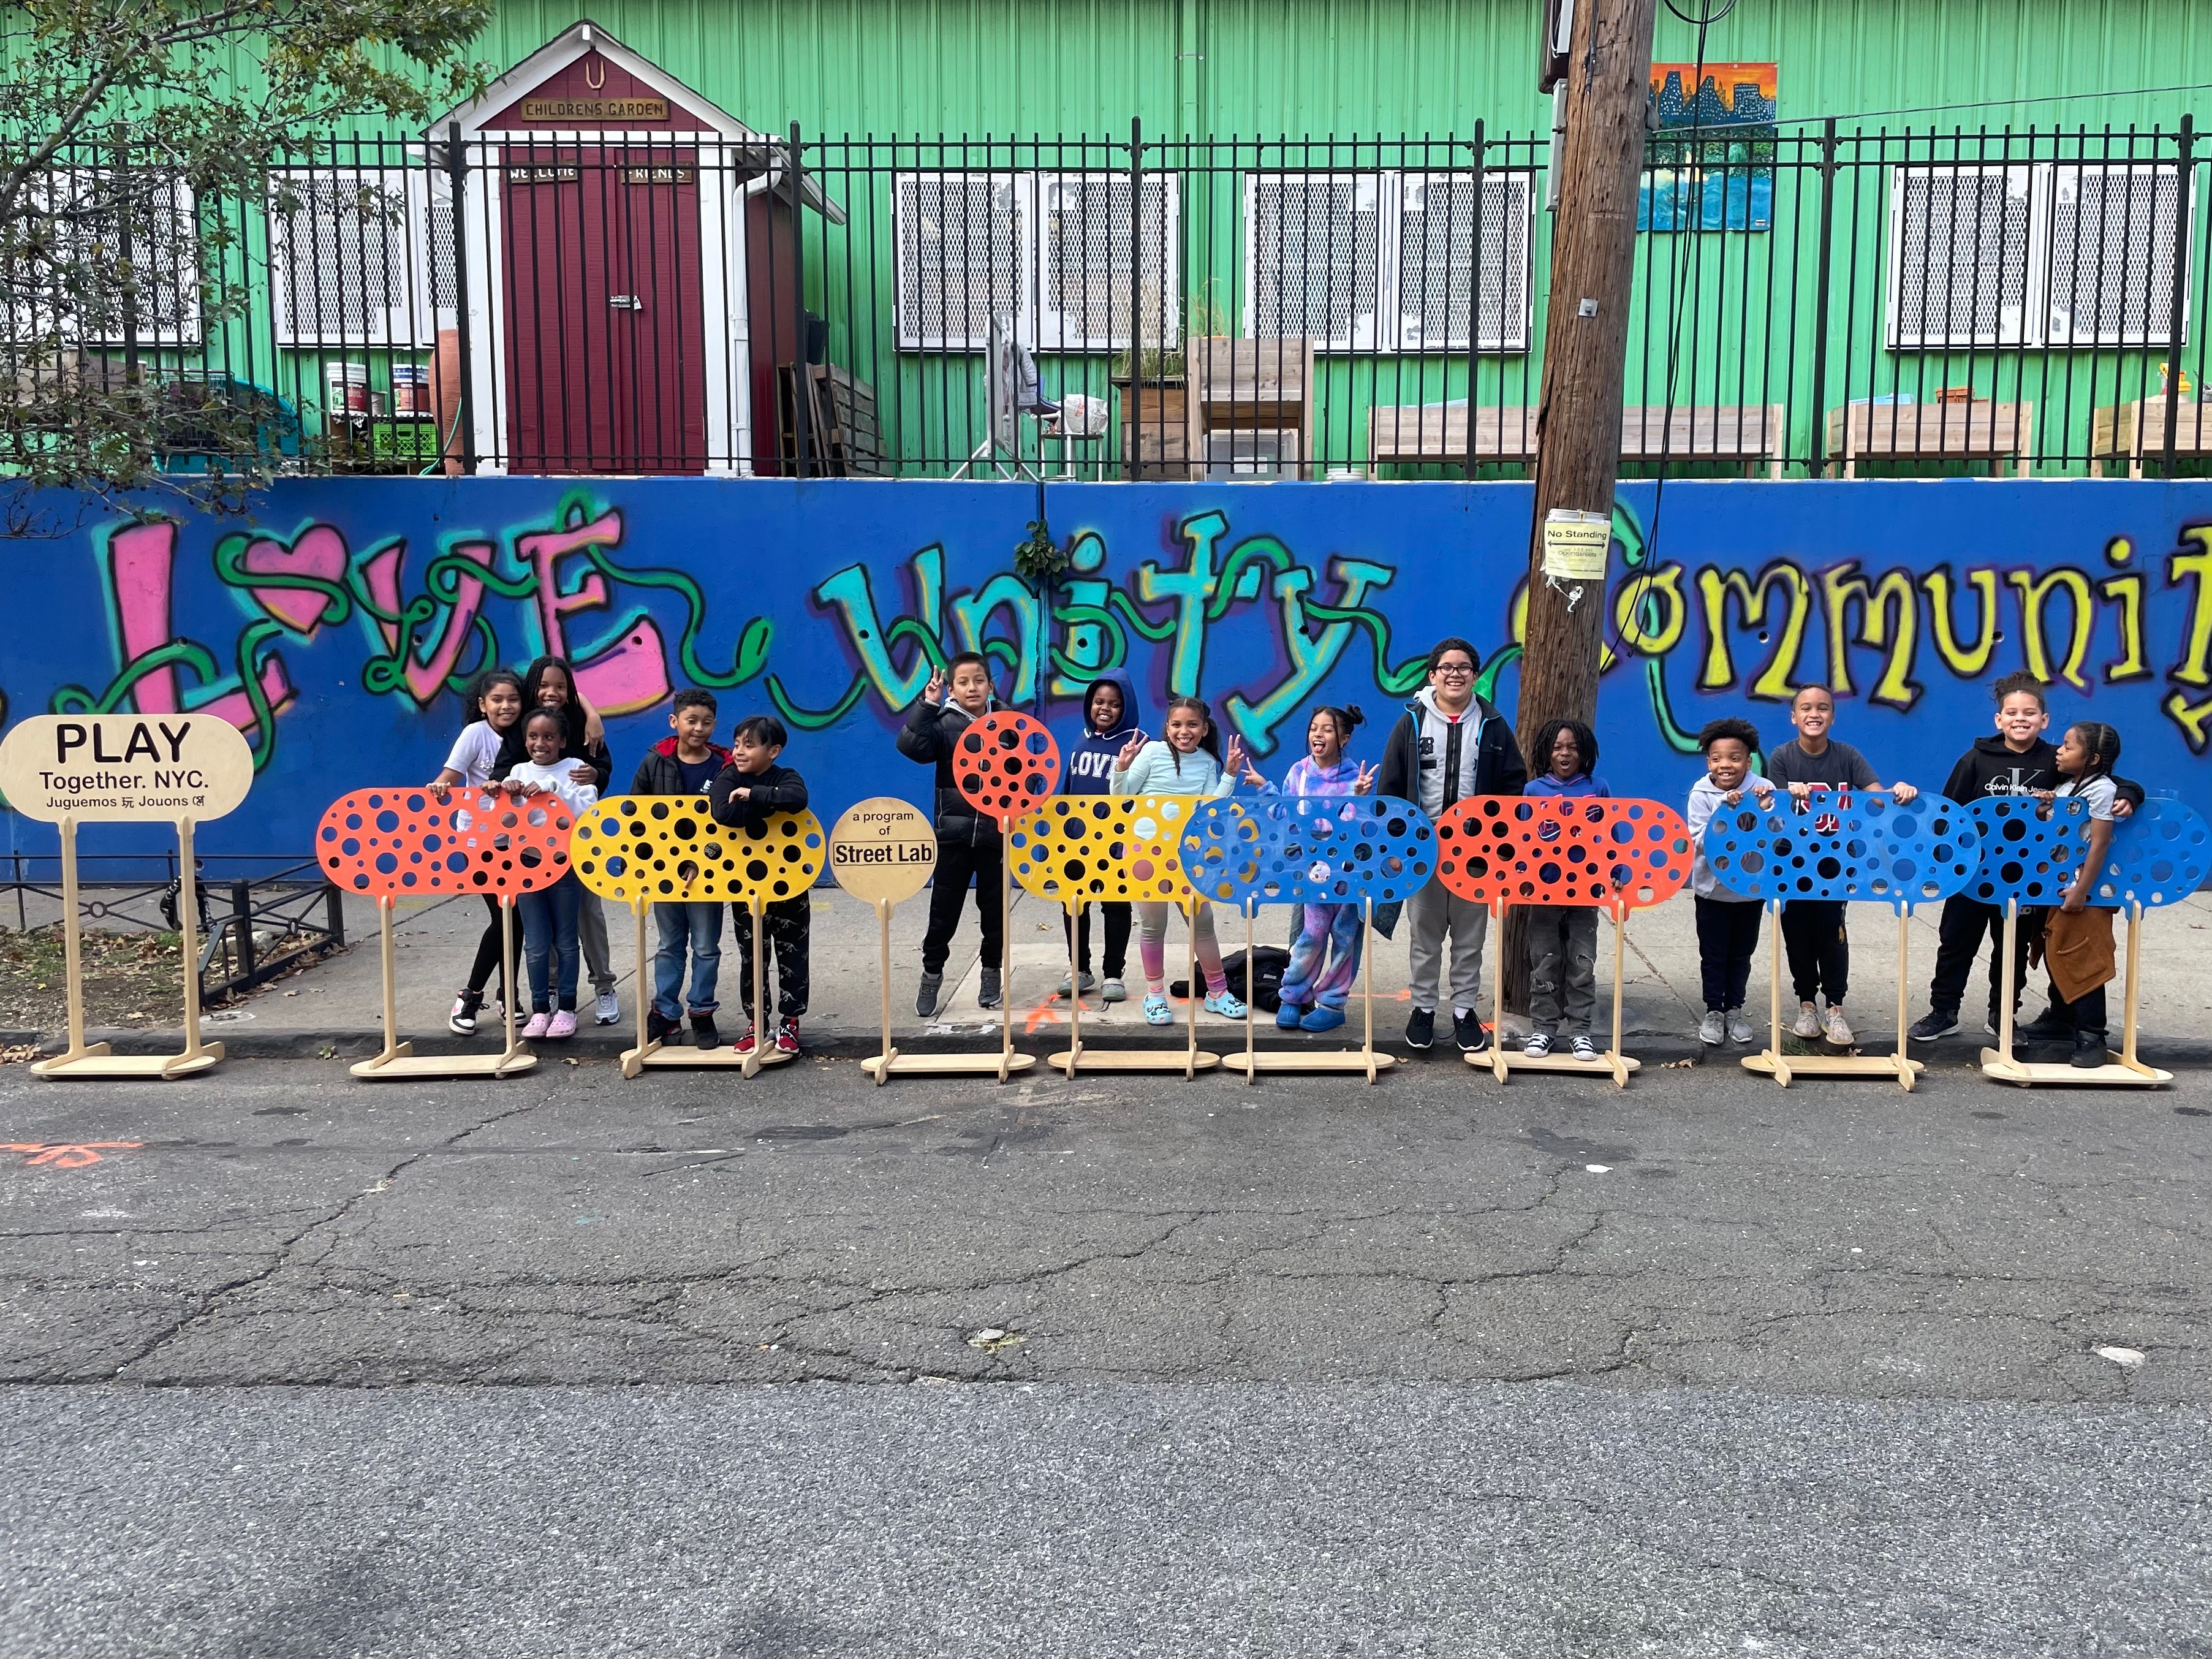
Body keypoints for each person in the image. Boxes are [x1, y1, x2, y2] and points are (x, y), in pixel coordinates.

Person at [1909, 673, 2143, 1043]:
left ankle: (2002, 1014)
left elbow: (2106, 778)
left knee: (2013, 948)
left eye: (2030, 713)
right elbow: (1949, 813)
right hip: (1973, 872)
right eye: (2012, 712)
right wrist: (1942, 866)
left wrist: (2132, 793)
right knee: (1956, 942)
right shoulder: (1975, 759)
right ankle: (1943, 1011)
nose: (2021, 718)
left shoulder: (2058, 759)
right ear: (1999, 720)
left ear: (2044, 721)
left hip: (2027, 877)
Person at [1377, 637, 1528, 1054]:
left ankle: (1464, 1011)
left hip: (1475, 852)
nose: (1455, 673)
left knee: (1468, 938)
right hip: (1424, 849)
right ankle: (1423, 1009)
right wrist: (1395, 843)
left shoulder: (1493, 725)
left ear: (1475, 676)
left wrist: (1500, 842)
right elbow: (1390, 785)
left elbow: (1514, 786)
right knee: (1424, 936)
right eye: (1447, 667)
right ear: (1432, 675)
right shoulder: (1411, 722)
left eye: (1464, 667)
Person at [1761, 683, 1917, 1047]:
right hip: (1793, 859)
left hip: (1835, 860)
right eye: (1806, 708)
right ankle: (1806, 1005)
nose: (1814, 714)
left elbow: (1876, 797)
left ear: (1832, 716)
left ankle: (1835, 1007)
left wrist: (1900, 792)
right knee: (1797, 933)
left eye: (1823, 708)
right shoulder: (1782, 756)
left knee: (1832, 933)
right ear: (1794, 717)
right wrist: (1789, 795)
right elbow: (1774, 807)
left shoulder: (1847, 755)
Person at [1112, 694, 1252, 1025]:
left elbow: (1210, 809)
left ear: (1204, 729)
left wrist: (1230, 775)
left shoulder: (1206, 761)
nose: (1183, 731)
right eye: (1176, 724)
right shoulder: (1152, 752)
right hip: (1146, 851)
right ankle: (1155, 995)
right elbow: (1121, 797)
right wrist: (1122, 767)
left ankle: (1217, 993)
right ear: (1167, 727)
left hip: (1188, 855)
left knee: (1202, 925)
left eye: (1191, 725)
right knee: (1153, 927)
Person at [513, 656, 621, 1027]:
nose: (552, 693)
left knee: (588, 916)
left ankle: (604, 985)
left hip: (575, 844)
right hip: (532, 852)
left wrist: (594, 770)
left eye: (561, 686)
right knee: (545, 935)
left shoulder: (580, 725)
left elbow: (598, 772)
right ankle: (555, 997)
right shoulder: (522, 727)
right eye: (544, 685)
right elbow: (503, 778)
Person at [898, 652, 1006, 1019]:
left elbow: (1029, 769)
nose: (972, 688)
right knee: (943, 913)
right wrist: (927, 704)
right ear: (951, 688)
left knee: (995, 914)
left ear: (990, 685)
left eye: (979, 680)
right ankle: (931, 974)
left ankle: (991, 973)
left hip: (996, 835)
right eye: (963, 682)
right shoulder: (943, 723)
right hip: (952, 836)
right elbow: (911, 747)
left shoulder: (1009, 723)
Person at [2015, 722, 2124, 1068]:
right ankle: (2062, 1017)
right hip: (2059, 885)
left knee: (2084, 957)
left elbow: (2099, 842)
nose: (2059, 751)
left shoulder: (2102, 790)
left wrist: (2082, 890)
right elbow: (2057, 829)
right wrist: (2045, 806)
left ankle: (2092, 1035)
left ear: (2091, 758)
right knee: (2057, 950)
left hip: (2086, 892)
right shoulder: (2067, 786)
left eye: (2068, 746)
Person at [427, 667, 528, 1036]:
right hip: (480, 842)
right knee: (507, 918)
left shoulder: (525, 734)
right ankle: (471, 995)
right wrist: (438, 788)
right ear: (483, 705)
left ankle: (507, 994)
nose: (506, 706)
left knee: (515, 921)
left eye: (513, 699)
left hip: (517, 841)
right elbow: (450, 776)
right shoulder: (475, 734)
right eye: (497, 700)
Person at [708, 715, 812, 1057]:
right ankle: (757, 1023)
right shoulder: (727, 777)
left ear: (774, 751)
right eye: (737, 744)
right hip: (745, 887)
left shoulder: (787, 777)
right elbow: (724, 815)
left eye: (749, 746)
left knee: (792, 955)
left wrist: (752, 794)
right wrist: (767, 805)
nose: (739, 751)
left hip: (789, 884)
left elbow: (797, 799)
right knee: (752, 958)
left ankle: (790, 1023)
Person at [1271, 705, 1378, 1035]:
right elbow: (1283, 815)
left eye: (1328, 729)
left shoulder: (1353, 776)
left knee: (1345, 937)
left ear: (1344, 738)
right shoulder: (1298, 772)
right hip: (1312, 869)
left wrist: (1359, 796)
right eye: (1314, 727)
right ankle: (1293, 996)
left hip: (1348, 868)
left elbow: (1359, 825)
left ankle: (1332, 1004)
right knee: (1312, 934)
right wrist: (1264, 788)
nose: (1318, 734)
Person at [632, 689, 729, 1050]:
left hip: (709, 871)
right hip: (663, 870)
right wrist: (655, 863)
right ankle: (665, 1014)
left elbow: (728, 824)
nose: (699, 728)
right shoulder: (655, 762)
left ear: (715, 725)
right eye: (691, 721)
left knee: (706, 947)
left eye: (706, 722)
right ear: (675, 722)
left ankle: (702, 1011)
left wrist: (701, 861)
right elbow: (636, 816)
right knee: (670, 945)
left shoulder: (725, 766)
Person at [501, 708, 600, 1040]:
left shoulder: (575, 769)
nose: (540, 743)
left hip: (564, 862)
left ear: (562, 741)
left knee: (567, 940)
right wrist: (506, 791)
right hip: (528, 862)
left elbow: (587, 814)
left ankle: (568, 1008)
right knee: (537, 943)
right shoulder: (518, 770)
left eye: (548, 737)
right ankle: (540, 1008)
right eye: (533, 736)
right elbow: (506, 818)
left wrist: (553, 789)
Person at [1684, 717, 1776, 1047]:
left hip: (1750, 891)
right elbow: (1698, 842)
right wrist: (1724, 810)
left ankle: (1734, 1010)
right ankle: (1714, 1012)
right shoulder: (1700, 793)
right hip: (1711, 892)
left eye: (1735, 758)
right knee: (1713, 954)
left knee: (1741, 955)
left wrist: (1765, 807)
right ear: (1709, 761)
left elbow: (1776, 834)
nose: (1726, 765)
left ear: (1748, 762)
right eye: (1718, 758)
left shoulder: (1762, 788)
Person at [1520, 719, 1609, 1061]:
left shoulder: (1597, 787)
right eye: (1558, 747)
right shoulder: (1534, 790)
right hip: (1544, 888)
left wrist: (1615, 871)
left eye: (1572, 747)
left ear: (1584, 751)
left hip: (1586, 888)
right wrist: (1523, 876)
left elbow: (1610, 834)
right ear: (1547, 751)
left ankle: (1580, 1031)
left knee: (1582, 961)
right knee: (1544, 960)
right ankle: (1543, 1028)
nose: (1565, 753)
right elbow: (1525, 837)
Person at [1059, 670, 1139, 1002]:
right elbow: (1068, 789)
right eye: (1099, 702)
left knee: (1116, 905)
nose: (1105, 709)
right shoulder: (1081, 740)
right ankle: (1080, 969)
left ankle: (1113, 973)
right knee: (1074, 905)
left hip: (1115, 843)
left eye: (1115, 704)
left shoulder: (1138, 743)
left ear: (1127, 708)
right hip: (1077, 842)